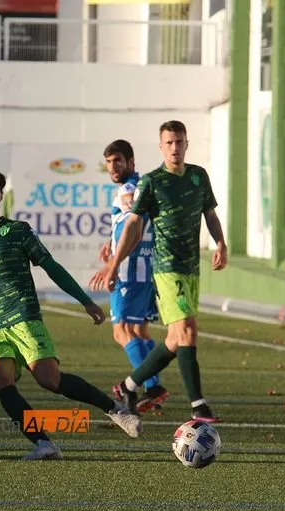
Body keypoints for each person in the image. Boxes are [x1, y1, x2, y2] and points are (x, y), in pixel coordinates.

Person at [0, 165, 143, 461]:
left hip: (23, 317)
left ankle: (117, 410)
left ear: (1, 195)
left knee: (49, 380)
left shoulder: (18, 231)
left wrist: (85, 301)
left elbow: (51, 267)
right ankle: (43, 443)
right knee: (0, 380)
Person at [90, 120, 228, 423]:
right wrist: (113, 264)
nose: (175, 148)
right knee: (187, 330)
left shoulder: (198, 176)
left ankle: (129, 386)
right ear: (161, 147)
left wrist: (221, 243)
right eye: (169, 143)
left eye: (179, 142)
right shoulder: (152, 181)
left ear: (187, 144)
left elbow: (210, 213)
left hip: (191, 267)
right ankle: (198, 406)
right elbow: (133, 224)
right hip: (165, 268)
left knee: (174, 339)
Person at [98, 140, 167, 414]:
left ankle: (152, 387)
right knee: (140, 331)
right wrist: (110, 242)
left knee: (122, 331)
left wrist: (113, 264)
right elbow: (130, 223)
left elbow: (133, 227)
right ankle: (153, 389)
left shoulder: (128, 189)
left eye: (118, 160)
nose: (113, 167)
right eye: (109, 162)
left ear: (131, 162)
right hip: (145, 268)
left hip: (130, 269)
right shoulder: (140, 187)